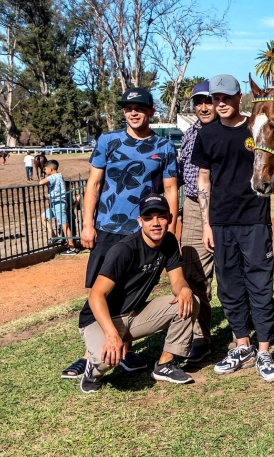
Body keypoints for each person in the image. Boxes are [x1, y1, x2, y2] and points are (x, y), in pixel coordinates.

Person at [61, 87, 179, 380]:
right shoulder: (108, 141)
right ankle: (90, 354)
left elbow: (170, 189)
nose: (133, 112)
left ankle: (124, 350)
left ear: (151, 112)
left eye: (140, 107)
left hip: (143, 233)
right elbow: (94, 184)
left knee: (134, 291)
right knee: (101, 290)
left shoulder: (163, 147)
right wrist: (87, 225)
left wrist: (172, 226)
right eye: (128, 107)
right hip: (109, 229)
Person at [191, 74, 274, 383]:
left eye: (227, 98)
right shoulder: (207, 135)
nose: (221, 103)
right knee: (228, 284)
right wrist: (206, 223)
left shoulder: (254, 126)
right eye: (216, 98)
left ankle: (265, 350)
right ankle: (242, 345)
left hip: (254, 219)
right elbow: (204, 179)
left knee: (259, 282)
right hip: (221, 221)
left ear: (239, 98)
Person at [77, 194, 198, 393]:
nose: (156, 223)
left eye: (161, 216)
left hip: (134, 314)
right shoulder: (124, 250)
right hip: (100, 319)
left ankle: (165, 364)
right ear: (140, 221)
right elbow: (96, 295)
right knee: (106, 357)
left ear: (169, 217)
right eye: (149, 218)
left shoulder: (168, 242)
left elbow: (177, 280)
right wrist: (111, 334)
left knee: (188, 301)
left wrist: (184, 289)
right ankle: (92, 370)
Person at [178, 81, 217, 362]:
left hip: (227, 206)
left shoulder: (236, 130)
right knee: (194, 275)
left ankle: (254, 329)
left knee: (238, 272)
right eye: (198, 102)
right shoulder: (190, 134)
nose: (203, 107)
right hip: (193, 206)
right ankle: (201, 336)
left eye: (208, 101)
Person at [39, 159, 77, 255]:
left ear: (51, 169)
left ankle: (71, 248)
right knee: (44, 216)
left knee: (64, 225)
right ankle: (53, 235)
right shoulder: (59, 176)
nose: (45, 171)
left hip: (58, 204)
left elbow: (41, 182)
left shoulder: (53, 176)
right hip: (55, 203)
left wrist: (44, 180)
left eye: (46, 169)